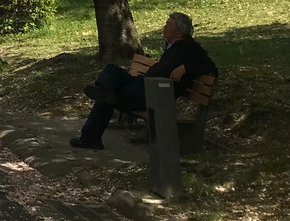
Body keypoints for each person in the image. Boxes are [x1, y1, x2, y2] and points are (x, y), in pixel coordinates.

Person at [70, 11, 218, 150]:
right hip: (143, 84)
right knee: (111, 71)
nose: (164, 26)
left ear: (179, 31)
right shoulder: (172, 45)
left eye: (169, 24)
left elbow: (211, 67)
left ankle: (91, 137)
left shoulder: (190, 47)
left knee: (109, 97)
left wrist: (186, 68)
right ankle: (102, 91)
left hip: (156, 94)